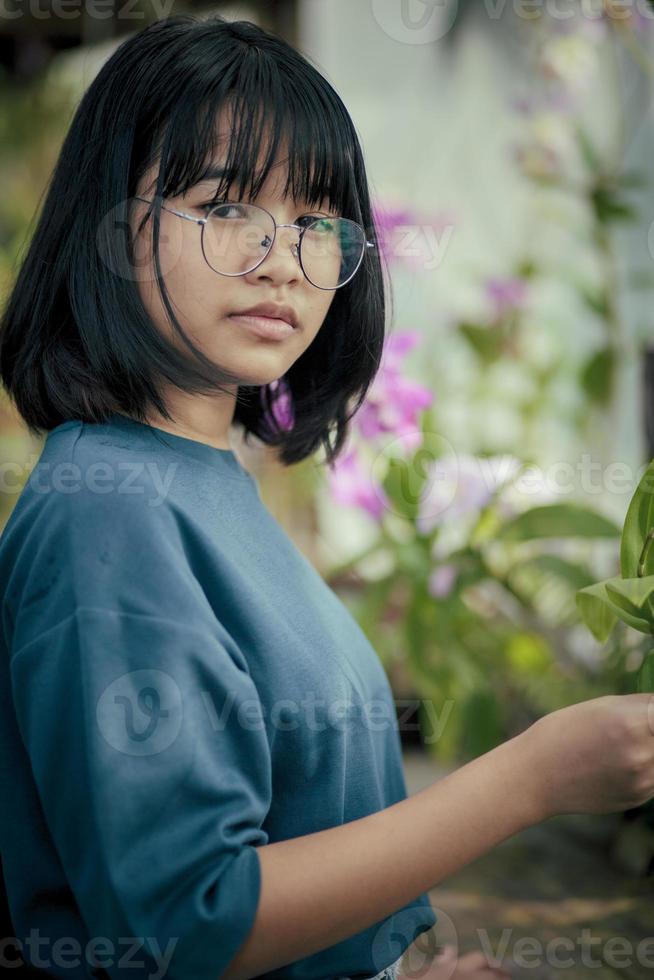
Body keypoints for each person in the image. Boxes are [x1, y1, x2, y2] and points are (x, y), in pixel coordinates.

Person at [0, 12, 652, 980]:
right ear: (115, 230)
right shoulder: (110, 511)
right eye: (225, 208)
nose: (283, 259)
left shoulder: (195, 475)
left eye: (315, 222)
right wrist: (532, 777)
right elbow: (191, 918)